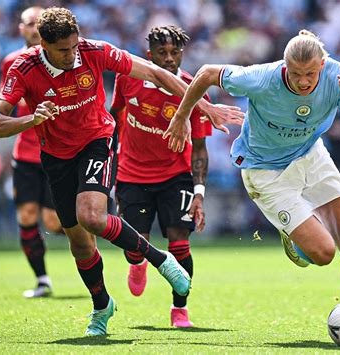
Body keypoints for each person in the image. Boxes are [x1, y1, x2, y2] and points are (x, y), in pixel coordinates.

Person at [0, 7, 242, 336]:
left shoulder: (96, 51)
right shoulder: (24, 67)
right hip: (56, 157)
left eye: (74, 46)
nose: (72, 55)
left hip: (96, 141)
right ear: (44, 46)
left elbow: (156, 73)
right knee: (80, 243)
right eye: (63, 50)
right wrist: (31, 119)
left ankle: (160, 260)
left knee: (91, 216)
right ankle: (102, 306)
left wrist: (203, 105)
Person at [164, 29, 340, 341]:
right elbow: (206, 73)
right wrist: (181, 116)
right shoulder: (263, 78)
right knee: (323, 253)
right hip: (265, 172)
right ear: (284, 66)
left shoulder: (339, 76)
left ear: (323, 64)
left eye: (310, 73)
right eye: (296, 73)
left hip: (311, 156)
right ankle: (295, 240)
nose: (302, 81)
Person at [110, 26, 212, 328]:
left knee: (180, 243)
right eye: (162, 53)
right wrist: (112, 161)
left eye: (175, 52)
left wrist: (199, 192)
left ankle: (179, 309)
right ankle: (138, 262)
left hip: (175, 176)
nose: (169, 59)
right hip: (132, 173)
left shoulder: (192, 88)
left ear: (182, 53)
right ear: (149, 54)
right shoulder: (128, 79)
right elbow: (115, 116)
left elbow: (201, 149)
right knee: (134, 245)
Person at [0, 6, 62, 299]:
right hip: (25, 153)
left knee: (54, 222)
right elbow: (5, 101)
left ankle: (86, 237)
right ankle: (42, 280)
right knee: (27, 215)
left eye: (37, 24)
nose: (33, 29)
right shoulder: (11, 62)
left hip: (54, 150)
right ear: (21, 29)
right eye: (28, 24)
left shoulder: (59, 58)